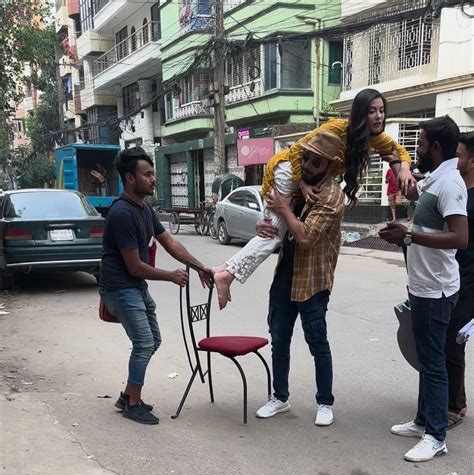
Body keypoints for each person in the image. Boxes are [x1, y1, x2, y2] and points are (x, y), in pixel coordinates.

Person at [212, 88, 414, 309]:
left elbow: (399, 150)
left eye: (382, 111)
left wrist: (403, 169)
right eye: (371, 111)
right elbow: (297, 151)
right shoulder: (337, 128)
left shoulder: (374, 139)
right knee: (273, 234)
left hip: (299, 183)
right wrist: (302, 183)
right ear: (359, 113)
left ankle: (224, 269)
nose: (378, 116)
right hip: (289, 170)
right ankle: (227, 275)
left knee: (269, 230)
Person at [99, 147, 211, 425]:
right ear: (129, 178)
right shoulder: (122, 213)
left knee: (153, 341)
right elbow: (134, 266)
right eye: (147, 174)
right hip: (120, 287)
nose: (153, 179)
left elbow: (170, 242)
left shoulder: (144, 209)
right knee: (144, 343)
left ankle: (127, 395)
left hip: (134, 287)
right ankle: (132, 404)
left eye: (152, 174)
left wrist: (200, 267)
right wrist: (171, 276)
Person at [379, 116, 468, 462]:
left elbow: (460, 237)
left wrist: (410, 236)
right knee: (425, 359)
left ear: (436, 147)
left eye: (420, 144)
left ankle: (436, 436)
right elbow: (418, 204)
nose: (416, 149)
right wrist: (398, 166)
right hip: (422, 285)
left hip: (437, 290)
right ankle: (422, 422)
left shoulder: (451, 184)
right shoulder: (434, 179)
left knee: (433, 363)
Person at [254, 133, 345, 426]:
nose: (307, 165)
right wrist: (264, 224)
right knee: (279, 340)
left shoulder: (332, 196)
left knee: (317, 342)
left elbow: (305, 237)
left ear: (329, 166)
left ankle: (325, 402)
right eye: (305, 158)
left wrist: (283, 208)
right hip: (285, 275)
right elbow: (277, 224)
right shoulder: (296, 185)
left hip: (312, 282)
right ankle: (280, 397)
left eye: (315, 162)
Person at [445, 131, 474, 427]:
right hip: (452, 278)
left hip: (470, 284)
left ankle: (454, 407)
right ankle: (456, 400)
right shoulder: (458, 192)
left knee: (453, 342)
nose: (455, 161)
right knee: (449, 342)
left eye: (459, 156)